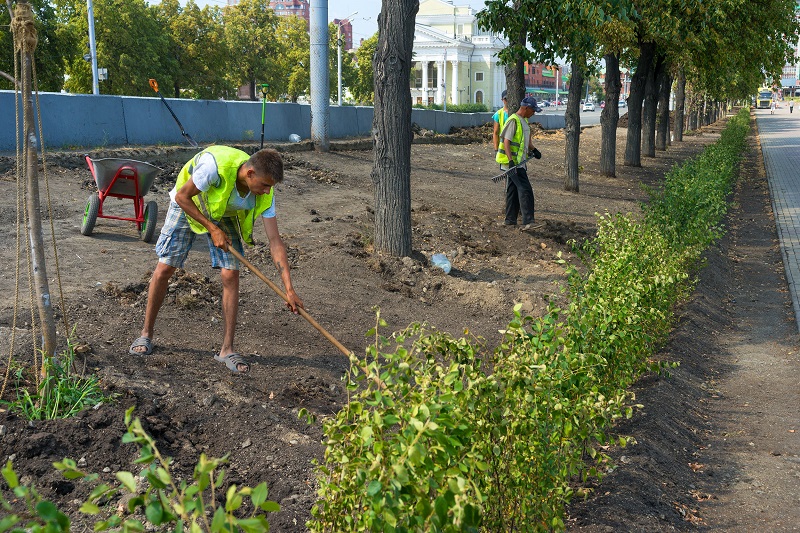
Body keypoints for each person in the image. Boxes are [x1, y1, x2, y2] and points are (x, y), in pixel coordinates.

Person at [128, 146, 303, 374]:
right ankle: (145, 334)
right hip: (189, 203)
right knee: (166, 267)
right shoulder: (214, 167)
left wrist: (289, 289)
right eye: (264, 185)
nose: (267, 191)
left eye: (270, 186)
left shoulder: (266, 192)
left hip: (223, 212)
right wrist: (211, 228)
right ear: (250, 173)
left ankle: (227, 350)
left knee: (231, 273)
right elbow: (182, 196)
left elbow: (275, 241)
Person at [495, 96, 542, 229]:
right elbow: (506, 142)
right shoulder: (513, 120)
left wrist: (535, 150)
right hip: (513, 163)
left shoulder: (524, 121)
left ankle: (510, 220)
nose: (534, 113)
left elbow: (527, 142)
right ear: (526, 108)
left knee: (513, 190)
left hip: (519, 162)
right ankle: (528, 221)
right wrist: (510, 161)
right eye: (533, 110)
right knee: (525, 189)